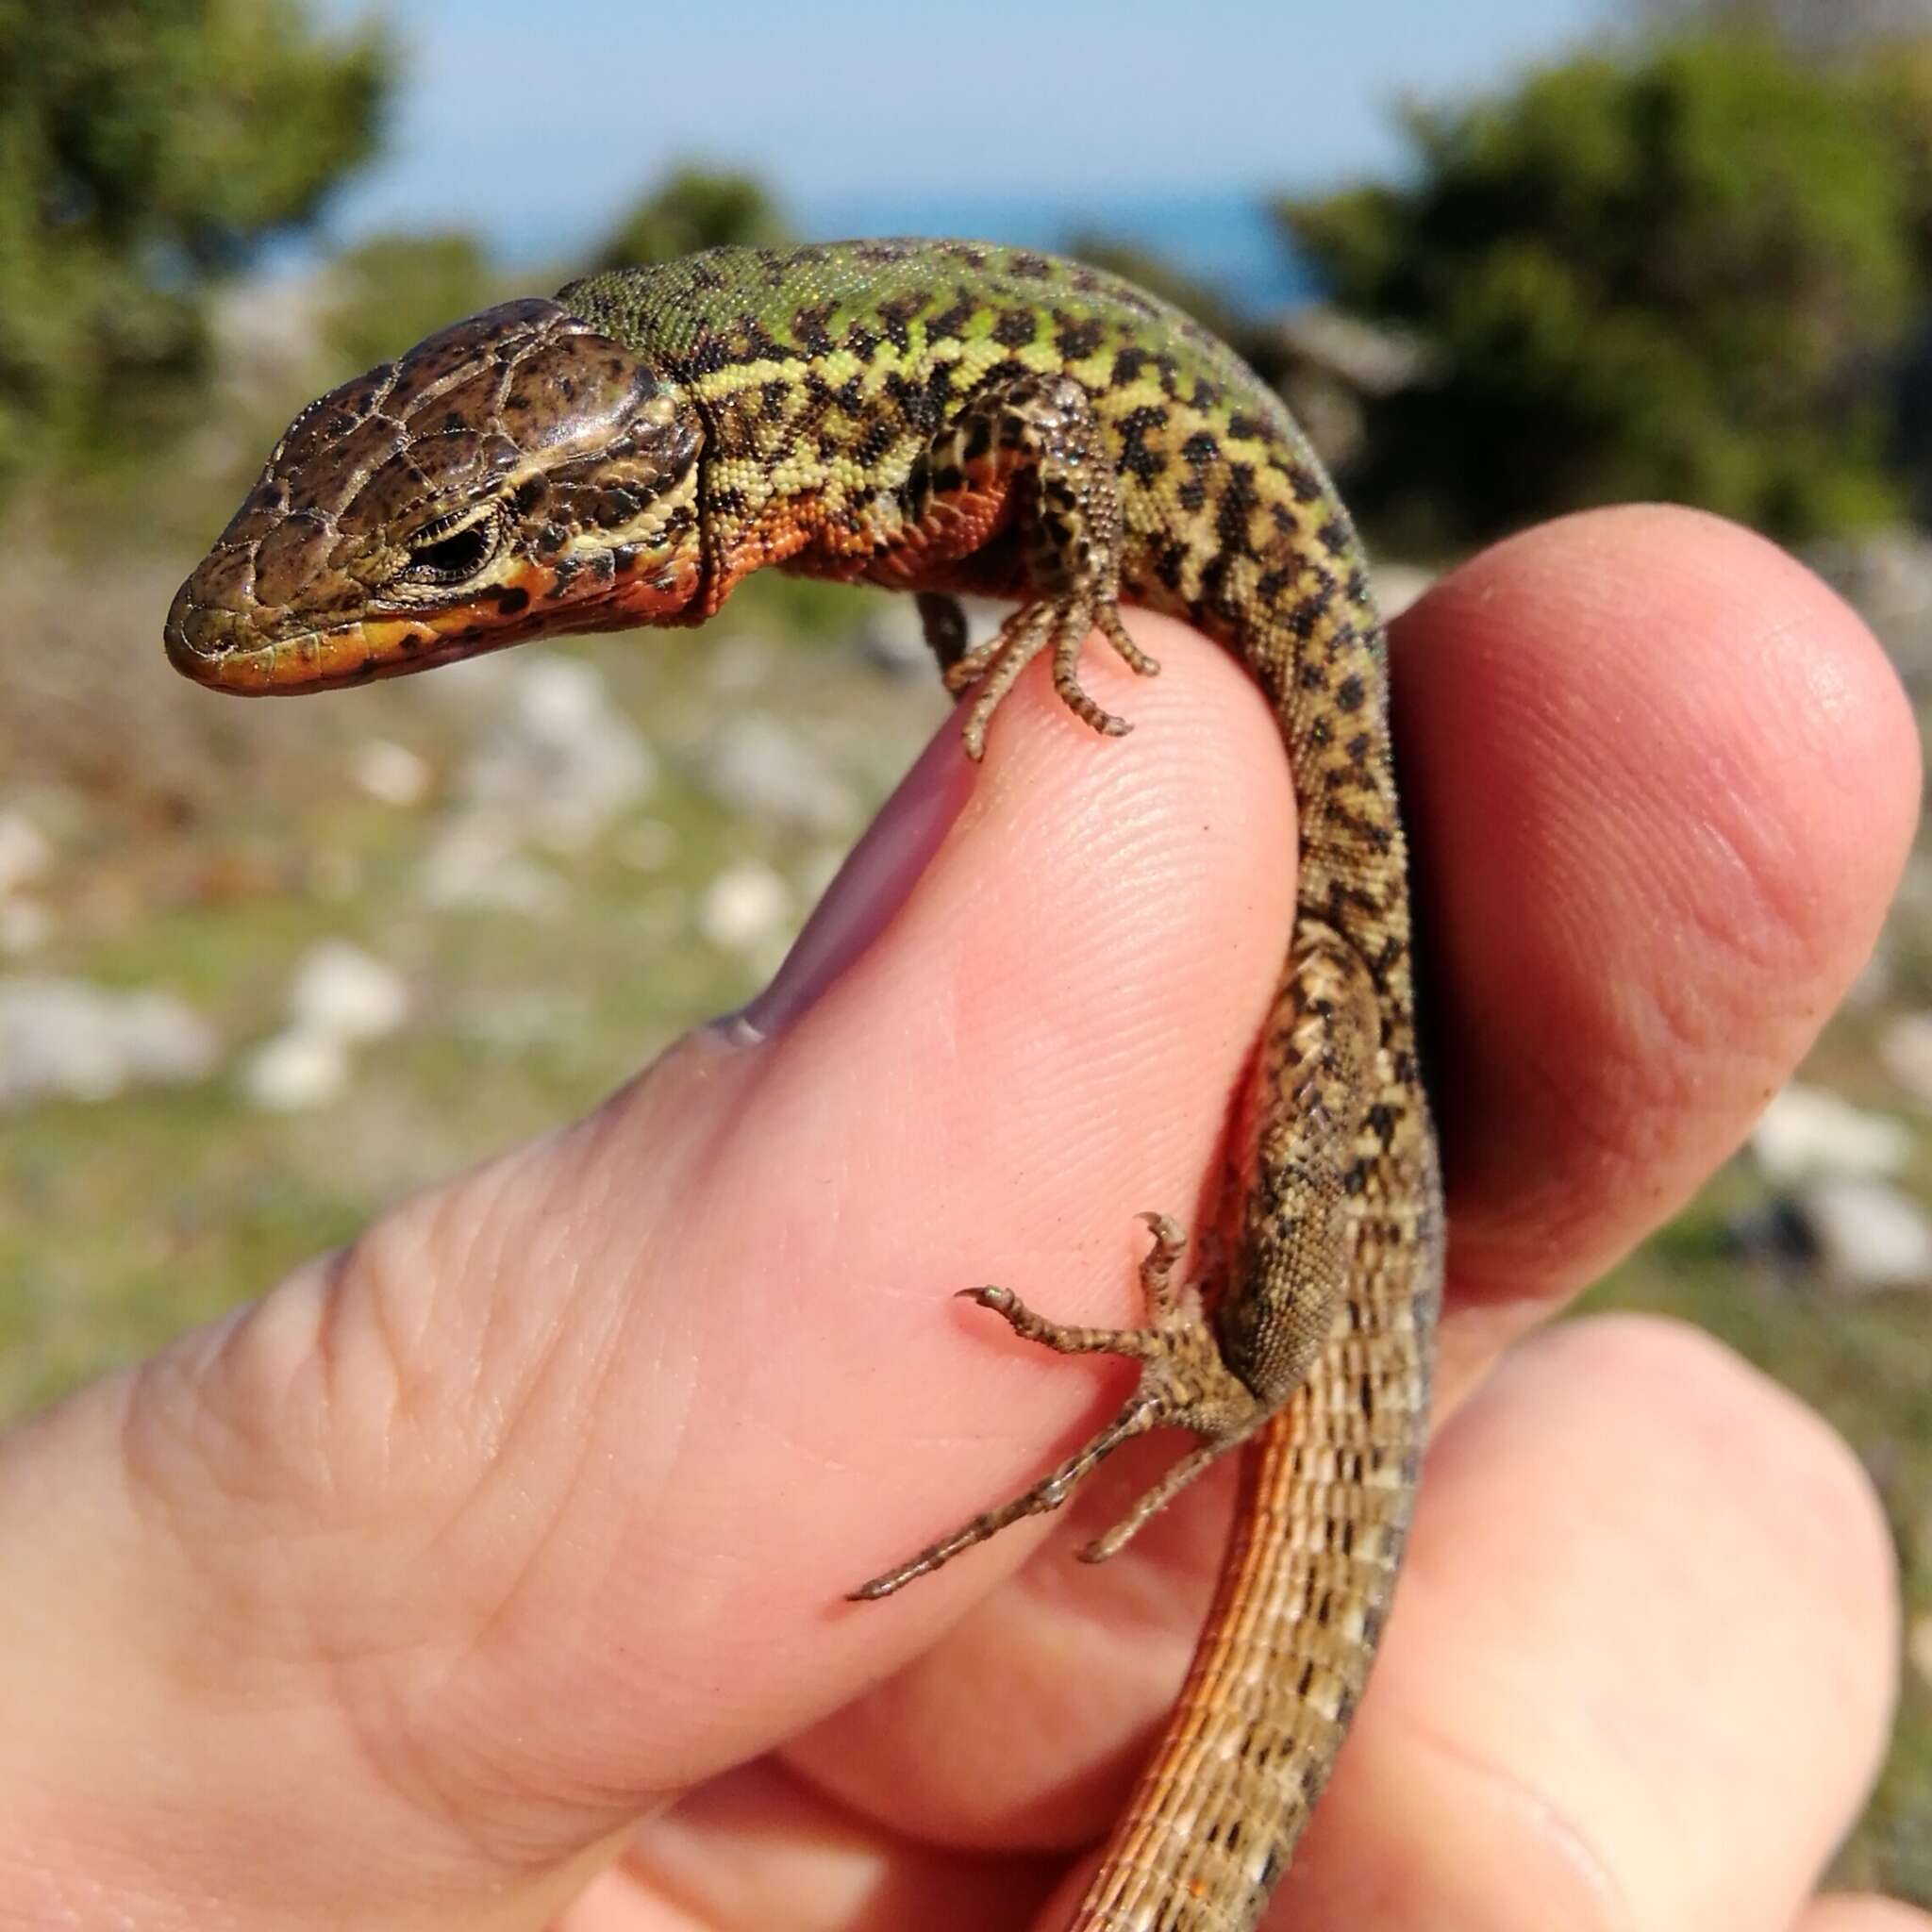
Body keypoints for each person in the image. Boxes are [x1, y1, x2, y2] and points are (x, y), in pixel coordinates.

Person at [0, 507, 1922, 1930]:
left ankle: (1246, 1365)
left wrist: (1234, 1360)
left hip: (1345, 980)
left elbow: (1050, 462)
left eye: (427, 571)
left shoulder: (845, 449)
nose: (389, 623)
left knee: (1334, 1375)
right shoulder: (795, 458)